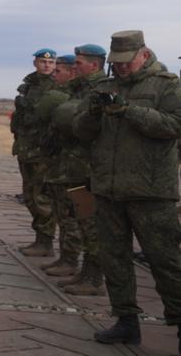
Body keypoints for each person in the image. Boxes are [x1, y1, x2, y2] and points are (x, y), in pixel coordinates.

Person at [73, 31, 181, 351]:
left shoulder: (167, 85)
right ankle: (125, 321)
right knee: (114, 260)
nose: (120, 67)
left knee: (166, 262)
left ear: (143, 55)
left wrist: (128, 110)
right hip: (109, 190)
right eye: (116, 62)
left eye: (126, 61)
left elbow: (173, 125)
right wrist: (92, 113)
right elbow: (81, 132)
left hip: (152, 193)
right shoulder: (104, 87)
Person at [49, 44, 108, 296]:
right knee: (80, 220)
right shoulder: (82, 88)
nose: (75, 67)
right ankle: (83, 271)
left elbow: (80, 122)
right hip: (76, 166)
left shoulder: (100, 89)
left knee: (91, 223)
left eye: (79, 63)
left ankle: (94, 278)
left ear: (94, 65)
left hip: (89, 169)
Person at [34, 54, 82, 279]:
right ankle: (66, 259)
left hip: (74, 168)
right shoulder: (66, 94)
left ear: (72, 72)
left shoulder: (68, 96)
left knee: (73, 217)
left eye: (58, 71)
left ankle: (72, 261)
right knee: (64, 214)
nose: (54, 74)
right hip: (61, 164)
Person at [12, 48, 57, 257]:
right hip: (26, 148)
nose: (47, 65)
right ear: (35, 63)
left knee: (42, 198)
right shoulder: (29, 85)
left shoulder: (57, 86)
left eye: (51, 62)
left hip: (43, 151)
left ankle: (45, 241)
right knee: (30, 197)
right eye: (43, 62)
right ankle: (40, 239)